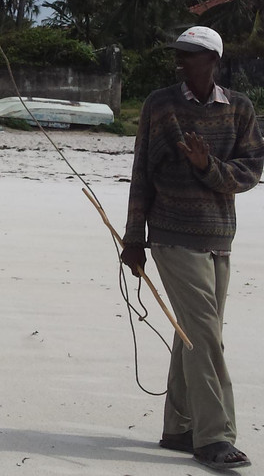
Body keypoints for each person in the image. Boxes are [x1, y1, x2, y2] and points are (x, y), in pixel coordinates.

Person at [122, 25, 264, 471]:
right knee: (204, 335)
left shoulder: (239, 107)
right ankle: (215, 437)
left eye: (189, 53)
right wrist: (133, 237)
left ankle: (179, 428)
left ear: (214, 60)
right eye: (178, 53)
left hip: (219, 237)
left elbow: (250, 171)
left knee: (195, 331)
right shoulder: (160, 104)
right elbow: (142, 172)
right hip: (171, 236)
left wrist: (208, 167)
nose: (180, 60)